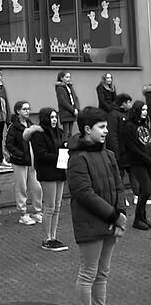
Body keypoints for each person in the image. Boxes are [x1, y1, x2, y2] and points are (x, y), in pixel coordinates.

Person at [67, 107, 127, 305]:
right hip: (91, 225)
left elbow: (119, 186)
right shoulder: (77, 158)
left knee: (102, 274)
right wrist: (113, 216)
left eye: (106, 127)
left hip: (111, 223)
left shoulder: (108, 154)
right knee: (88, 275)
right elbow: (84, 193)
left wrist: (120, 215)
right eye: (101, 127)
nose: (106, 131)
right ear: (87, 129)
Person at [31, 107, 69, 251]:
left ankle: (53, 236)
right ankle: (47, 238)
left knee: (58, 206)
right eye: (51, 117)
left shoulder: (58, 132)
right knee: (49, 206)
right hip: (47, 173)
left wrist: (65, 150)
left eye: (55, 117)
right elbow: (41, 155)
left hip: (59, 171)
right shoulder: (39, 135)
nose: (54, 120)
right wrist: (60, 157)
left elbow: (62, 148)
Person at [6, 101, 43, 226]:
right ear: (18, 111)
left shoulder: (31, 125)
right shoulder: (13, 127)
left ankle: (37, 211)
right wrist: (20, 155)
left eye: (28, 108)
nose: (27, 111)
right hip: (20, 161)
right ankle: (23, 213)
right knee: (21, 187)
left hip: (32, 161)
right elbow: (9, 145)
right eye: (24, 109)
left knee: (37, 186)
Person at [119, 101, 151, 230]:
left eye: (146, 109)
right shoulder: (129, 126)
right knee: (147, 189)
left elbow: (147, 143)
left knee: (145, 190)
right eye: (143, 109)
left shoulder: (145, 125)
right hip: (137, 162)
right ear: (137, 110)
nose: (145, 112)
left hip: (147, 161)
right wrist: (146, 158)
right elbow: (132, 147)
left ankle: (143, 216)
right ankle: (137, 219)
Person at [108, 94, 138, 205]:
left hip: (130, 151)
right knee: (119, 176)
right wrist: (116, 153)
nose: (130, 104)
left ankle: (137, 195)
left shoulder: (129, 114)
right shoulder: (113, 115)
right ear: (123, 103)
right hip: (120, 152)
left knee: (134, 174)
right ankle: (122, 198)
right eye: (128, 102)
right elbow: (113, 135)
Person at [56, 70, 80, 137]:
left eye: (69, 77)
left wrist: (77, 108)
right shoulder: (60, 88)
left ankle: (70, 145)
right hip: (66, 113)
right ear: (61, 78)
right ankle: (65, 144)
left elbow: (75, 98)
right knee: (66, 132)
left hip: (72, 112)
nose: (69, 79)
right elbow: (62, 101)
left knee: (70, 132)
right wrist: (72, 110)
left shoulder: (70, 87)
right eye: (67, 77)